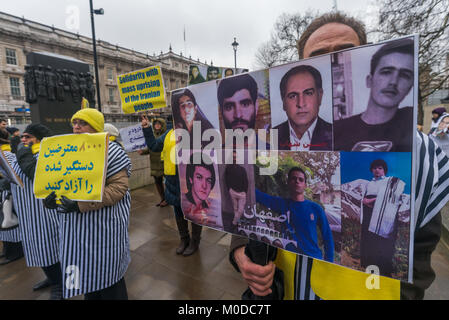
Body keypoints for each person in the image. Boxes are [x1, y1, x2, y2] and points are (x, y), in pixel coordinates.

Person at [230, 11, 449, 300]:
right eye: (320, 56)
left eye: (346, 54)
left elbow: (420, 249)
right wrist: (240, 250)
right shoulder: (263, 141)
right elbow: (255, 201)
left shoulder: (425, 152)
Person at [44, 108, 131, 300]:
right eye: (74, 123)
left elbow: (118, 188)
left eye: (82, 123)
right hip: (76, 232)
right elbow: (57, 182)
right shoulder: (66, 150)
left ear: (96, 126)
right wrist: (51, 200)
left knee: (109, 280)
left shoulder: (112, 150)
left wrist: (81, 205)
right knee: (87, 279)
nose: (76, 127)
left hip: (104, 230)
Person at [333, 38, 414, 152]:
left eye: (404, 75)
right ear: (369, 80)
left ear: (410, 87)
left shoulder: (410, 123)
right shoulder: (337, 130)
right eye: (386, 72)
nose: (394, 82)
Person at [11, 124, 63, 299]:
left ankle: (59, 284)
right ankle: (51, 277)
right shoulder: (25, 153)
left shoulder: (47, 154)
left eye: (28, 137)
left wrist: (23, 154)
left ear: (39, 140)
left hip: (43, 214)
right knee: (37, 249)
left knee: (49, 248)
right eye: (23, 137)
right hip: (27, 213)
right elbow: (18, 175)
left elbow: (39, 175)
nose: (23, 140)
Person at [142, 115, 203, 256]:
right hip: (173, 181)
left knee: (194, 213)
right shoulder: (169, 133)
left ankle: (195, 242)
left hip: (191, 180)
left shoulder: (196, 131)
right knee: (178, 210)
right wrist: (146, 128)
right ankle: (184, 239)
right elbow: (154, 146)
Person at [257, 167, 334, 261]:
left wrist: (329, 262)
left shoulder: (316, 208)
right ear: (288, 182)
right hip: (290, 259)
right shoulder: (281, 204)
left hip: (313, 259)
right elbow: (260, 196)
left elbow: (327, 235)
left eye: (301, 180)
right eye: (293, 178)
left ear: (305, 185)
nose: (297, 181)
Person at [360, 159, 405, 277]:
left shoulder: (388, 182)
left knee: (384, 240)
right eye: (374, 168)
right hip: (369, 214)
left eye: (380, 168)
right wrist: (372, 200)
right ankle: (370, 265)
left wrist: (374, 201)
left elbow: (392, 199)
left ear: (384, 170)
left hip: (385, 215)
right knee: (370, 239)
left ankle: (384, 268)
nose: (377, 170)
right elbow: (364, 200)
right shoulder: (369, 184)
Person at [274, 65, 333, 151]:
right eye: (293, 96)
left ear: (320, 96)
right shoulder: (270, 136)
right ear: (283, 102)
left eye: (308, 93)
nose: (301, 104)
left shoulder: (336, 134)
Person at [0, 128, 23, 266]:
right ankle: (8, 249)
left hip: (6, 194)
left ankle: (15, 251)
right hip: (4, 192)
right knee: (4, 223)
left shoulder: (6, 154)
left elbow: (13, 175)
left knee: (9, 223)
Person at [182, 153, 220, 229]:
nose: (204, 186)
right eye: (199, 177)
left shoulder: (212, 205)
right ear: (191, 179)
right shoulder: (184, 201)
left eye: (208, 180)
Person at [137, 118, 168, 207]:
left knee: (168, 183)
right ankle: (163, 198)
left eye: (159, 124)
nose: (157, 125)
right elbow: (151, 147)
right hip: (154, 163)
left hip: (164, 163)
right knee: (158, 182)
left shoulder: (165, 135)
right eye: (155, 124)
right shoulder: (152, 135)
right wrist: (142, 152)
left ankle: (168, 199)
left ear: (162, 125)